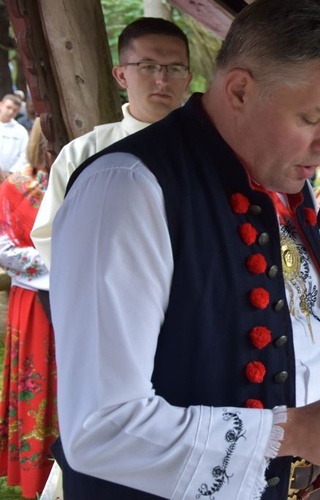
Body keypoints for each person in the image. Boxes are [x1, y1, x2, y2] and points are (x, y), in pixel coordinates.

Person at [50, 1, 320, 498]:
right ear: (239, 89)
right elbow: (100, 428)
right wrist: (293, 432)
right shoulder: (128, 189)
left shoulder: (284, 182)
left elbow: (300, 323)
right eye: (311, 117)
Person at [31, 17, 193, 269]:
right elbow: (51, 237)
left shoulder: (210, 151)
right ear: (121, 75)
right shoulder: (83, 154)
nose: (162, 80)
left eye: (174, 69)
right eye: (148, 66)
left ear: (188, 78)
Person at [0, 119, 56, 498]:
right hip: (35, 302)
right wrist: (62, 260)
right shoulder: (16, 187)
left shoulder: (76, 181)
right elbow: (3, 250)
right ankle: (38, 473)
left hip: (79, 301)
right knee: (40, 380)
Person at [0, 94, 29, 177]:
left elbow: (25, 155)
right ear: (1, 105)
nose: (11, 112)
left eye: (15, 110)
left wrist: (11, 172)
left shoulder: (21, 131)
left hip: (11, 177)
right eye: (8, 107)